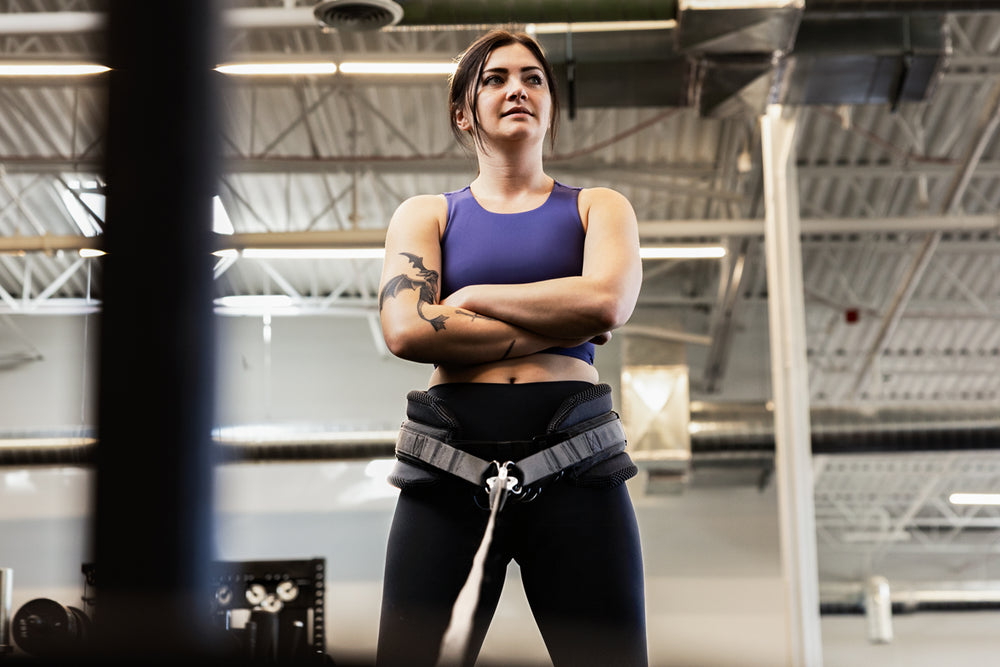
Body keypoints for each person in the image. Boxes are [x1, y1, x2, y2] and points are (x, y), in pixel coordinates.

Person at [375, 29, 647, 667]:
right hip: (448, 460)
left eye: (533, 78)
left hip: (577, 460)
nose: (517, 89)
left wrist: (473, 294)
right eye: (495, 78)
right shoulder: (427, 215)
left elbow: (607, 303)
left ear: (550, 105)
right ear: (463, 111)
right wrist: (564, 320)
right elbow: (407, 330)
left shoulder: (599, 208)